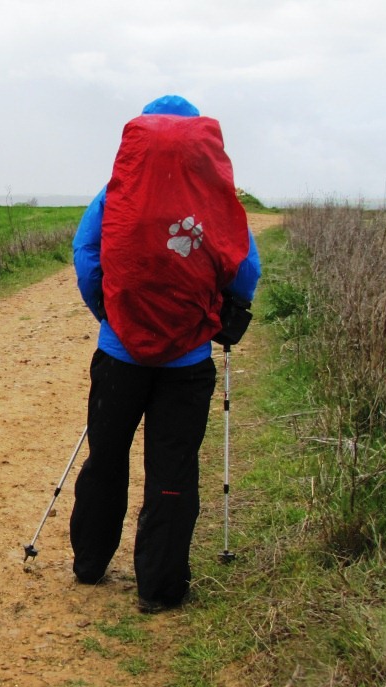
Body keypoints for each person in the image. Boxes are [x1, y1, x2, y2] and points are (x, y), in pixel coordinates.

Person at [69, 94, 261, 613]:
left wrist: (111, 317)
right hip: (188, 362)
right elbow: (246, 271)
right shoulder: (217, 199)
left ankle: (89, 564)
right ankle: (160, 588)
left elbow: (87, 256)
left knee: (106, 460)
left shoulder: (114, 193)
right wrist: (216, 319)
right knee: (172, 469)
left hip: (119, 357)